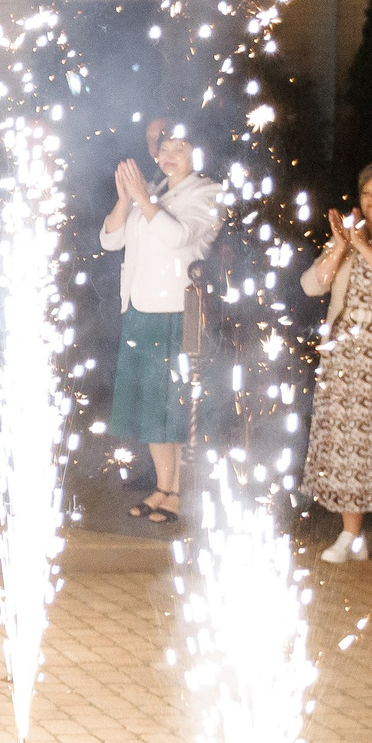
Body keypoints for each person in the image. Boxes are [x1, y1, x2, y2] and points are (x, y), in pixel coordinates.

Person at [100, 122, 224, 525]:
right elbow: (109, 240)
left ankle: (178, 493)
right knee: (150, 407)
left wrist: (141, 198)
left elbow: (178, 237)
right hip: (139, 307)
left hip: (177, 311)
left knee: (174, 404)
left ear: (198, 153)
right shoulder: (152, 189)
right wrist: (125, 199)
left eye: (180, 148)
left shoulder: (207, 193)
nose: (168, 156)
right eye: (164, 147)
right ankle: (162, 485)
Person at [299, 161, 372, 567]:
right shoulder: (347, 240)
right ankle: (351, 533)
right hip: (344, 354)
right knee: (346, 445)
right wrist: (341, 246)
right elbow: (312, 285)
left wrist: (360, 242)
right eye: (366, 194)